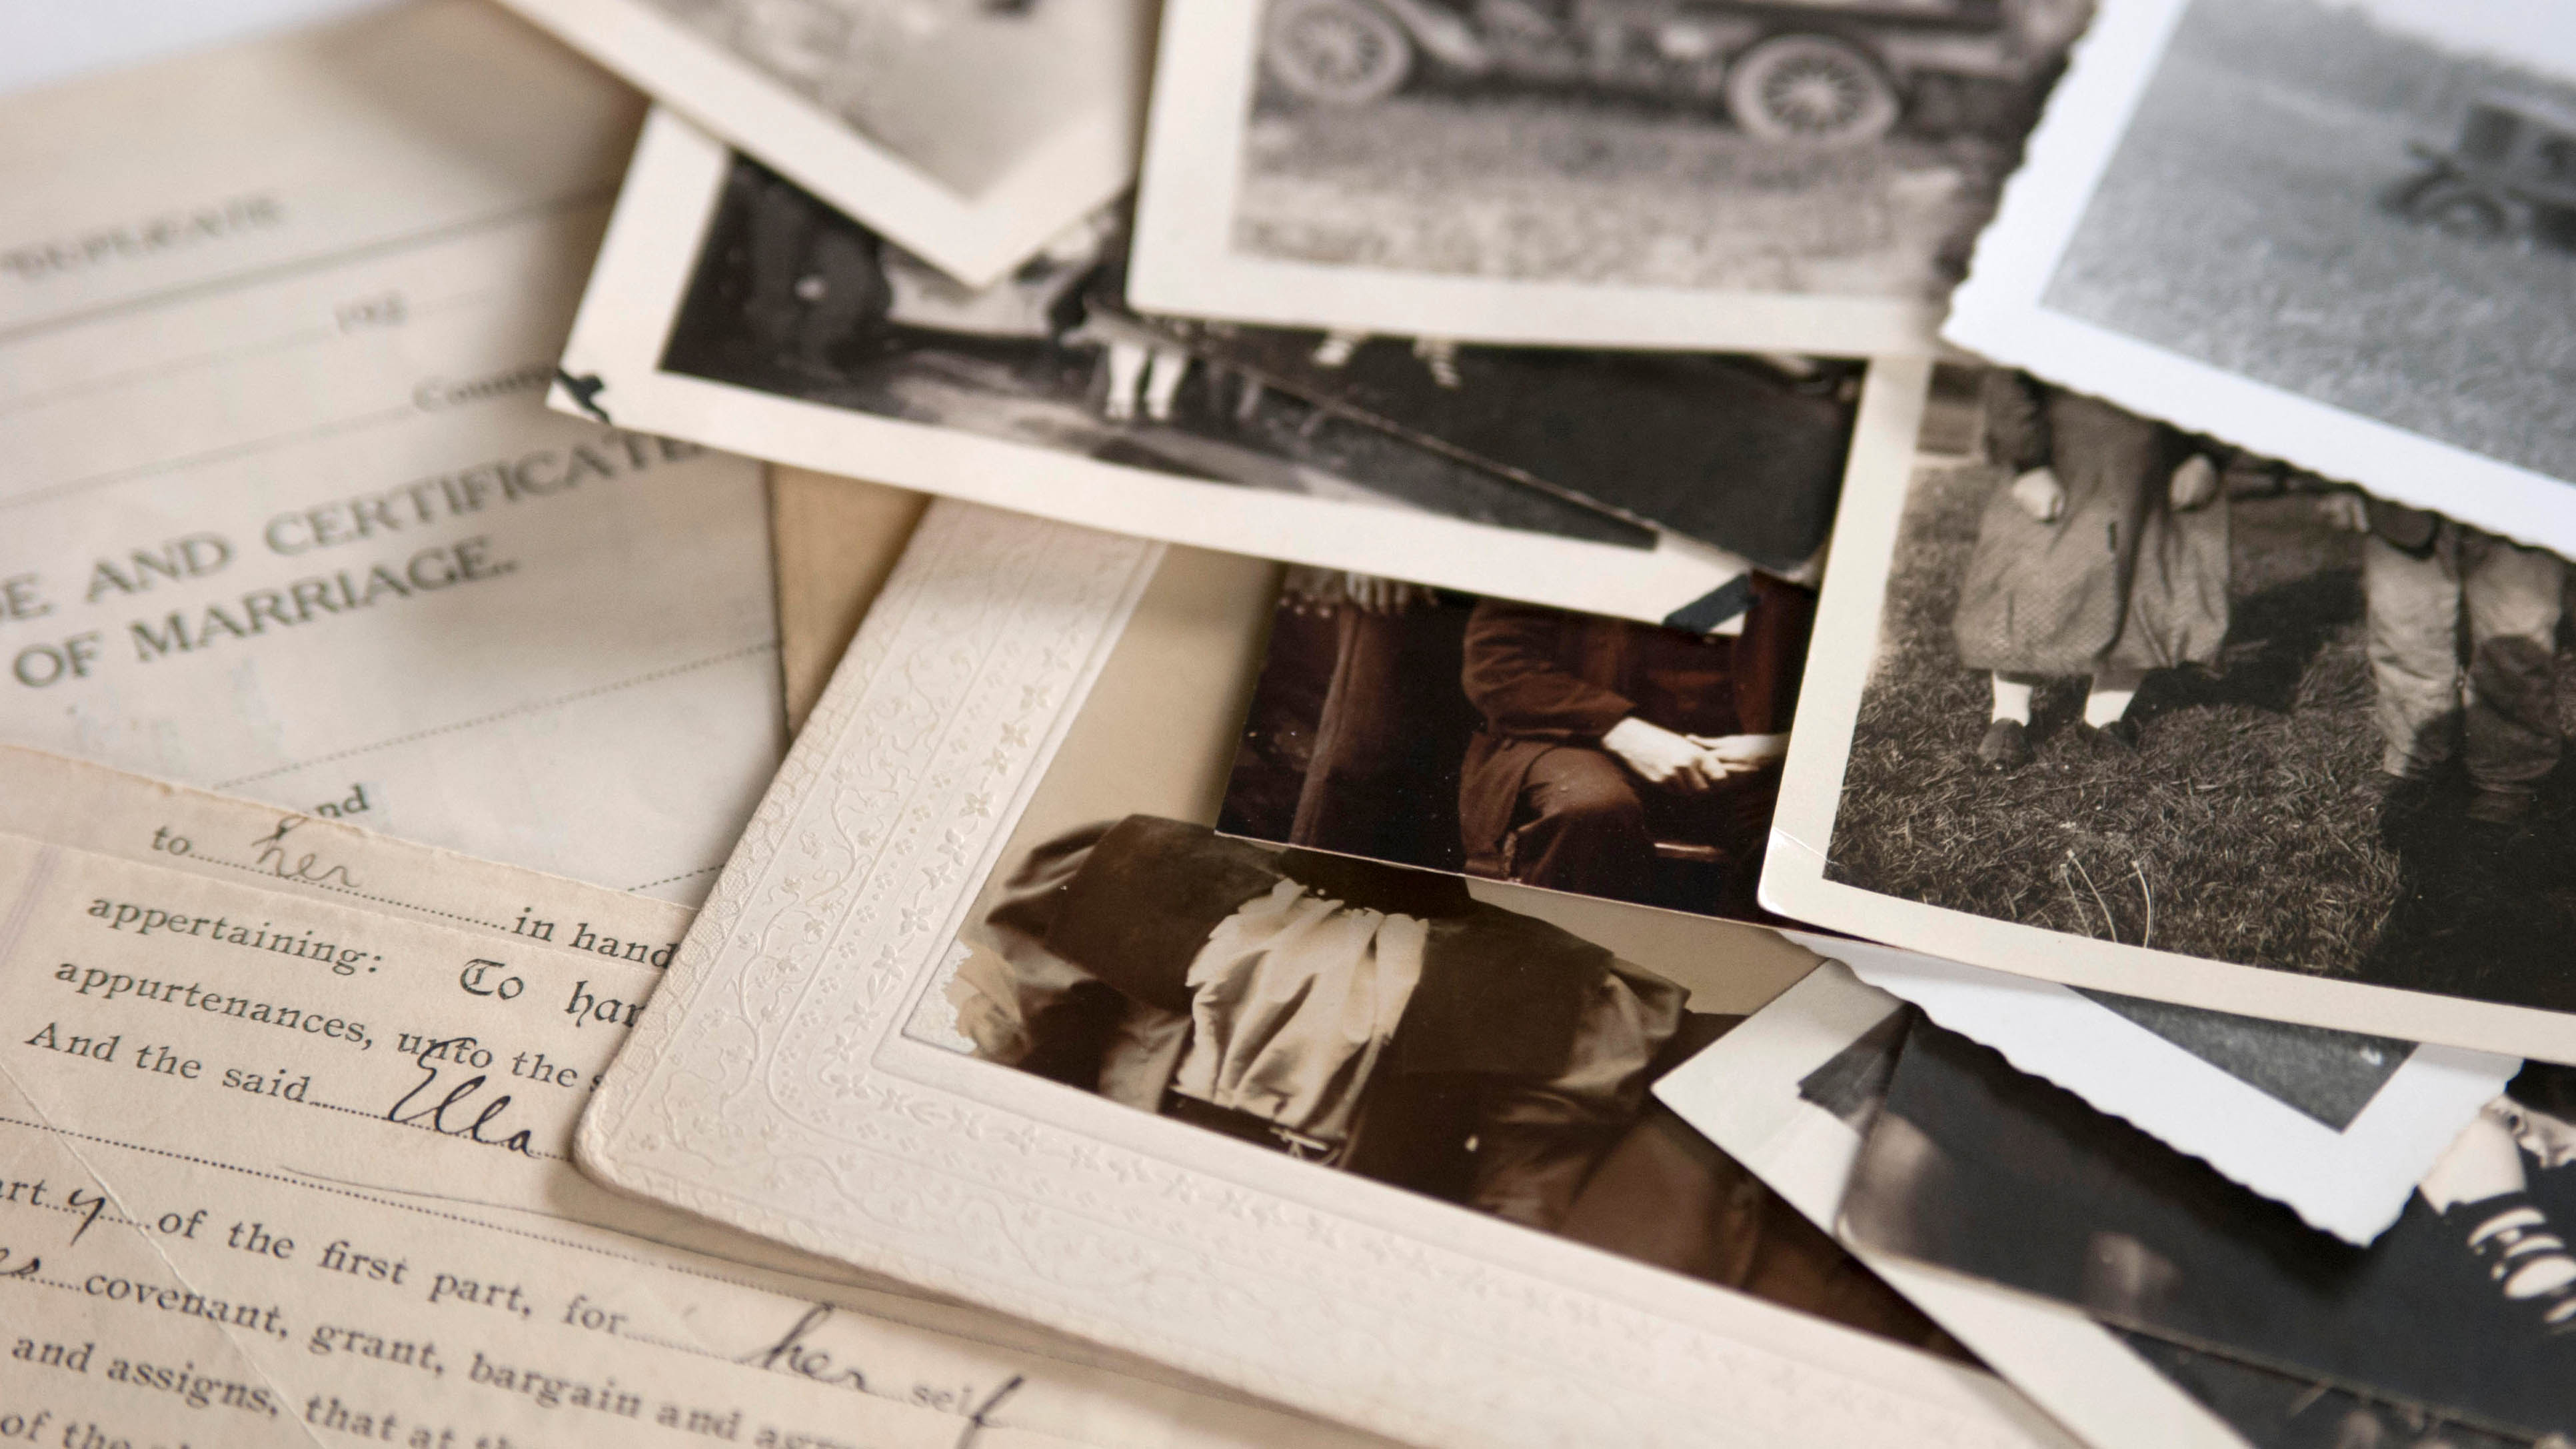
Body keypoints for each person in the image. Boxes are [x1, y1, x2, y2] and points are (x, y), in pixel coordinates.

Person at [1454, 578, 1814, 914]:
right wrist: (1622, 731)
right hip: (1577, 739)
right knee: (1591, 808)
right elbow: (1496, 665)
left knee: (1801, 835)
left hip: (1748, 759)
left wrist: (1785, 748)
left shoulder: (1798, 562)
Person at [1953, 371, 2227, 770]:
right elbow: (2008, 377)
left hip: (2157, 453)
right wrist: (2029, 462)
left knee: (2144, 580)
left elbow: (2225, 383)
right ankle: (2010, 716)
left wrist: (2208, 455)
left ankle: (2104, 718)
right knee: (2033, 576)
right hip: (2062, 443)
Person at [2340, 496, 2566, 825]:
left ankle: (2509, 776)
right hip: (2407, 498)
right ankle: (2413, 761)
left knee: (2515, 643)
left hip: (2518, 499)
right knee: (2405, 635)